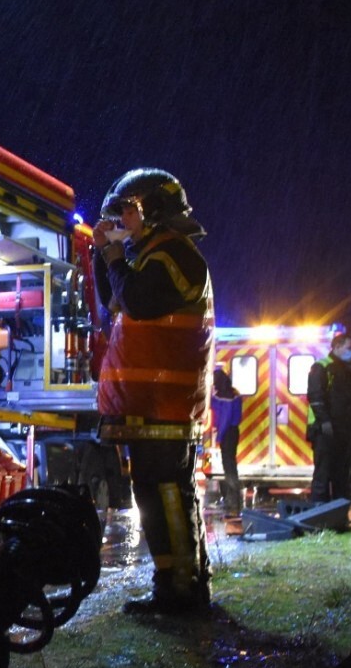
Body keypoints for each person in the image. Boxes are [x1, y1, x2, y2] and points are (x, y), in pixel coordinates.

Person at [92, 168, 215, 615]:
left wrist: (111, 255)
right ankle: (176, 582)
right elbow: (116, 301)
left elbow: (138, 302)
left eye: (130, 209)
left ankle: (180, 590)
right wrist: (101, 253)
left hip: (165, 405)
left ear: (156, 210)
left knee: (166, 496)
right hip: (154, 407)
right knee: (160, 496)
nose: (123, 218)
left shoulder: (175, 257)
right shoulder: (151, 257)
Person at [306, 331, 351, 504]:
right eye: (349, 347)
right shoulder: (322, 367)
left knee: (341, 477)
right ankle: (317, 518)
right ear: (336, 347)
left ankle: (339, 516)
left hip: (343, 431)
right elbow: (315, 397)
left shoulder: (348, 369)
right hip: (324, 431)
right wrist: (325, 422)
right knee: (323, 474)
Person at [210, 367, 244, 517]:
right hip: (234, 432)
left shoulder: (223, 397)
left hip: (227, 433)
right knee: (232, 466)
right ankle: (235, 499)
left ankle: (232, 501)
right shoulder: (234, 394)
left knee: (229, 467)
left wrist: (219, 437)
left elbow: (224, 419)